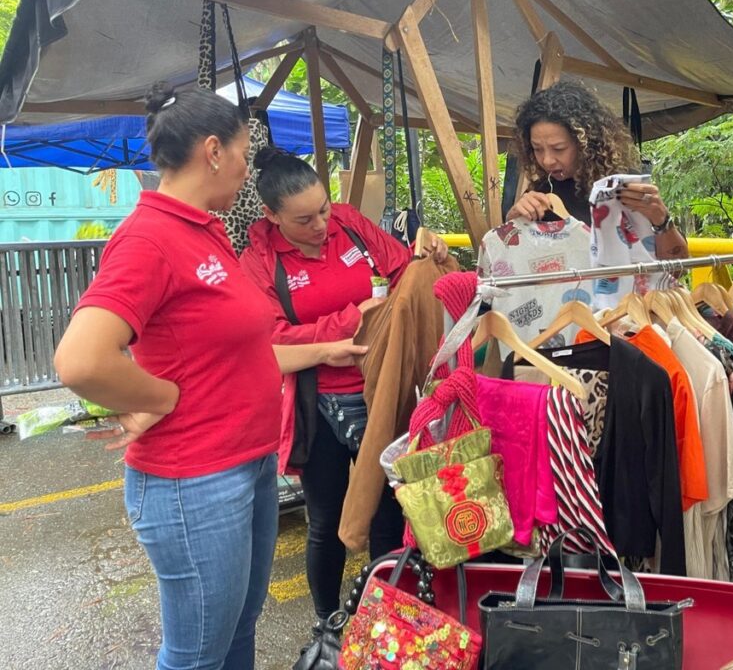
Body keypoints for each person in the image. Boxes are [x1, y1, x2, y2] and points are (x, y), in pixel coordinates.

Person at [53, 83, 367, 670]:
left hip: (245, 464)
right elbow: (81, 359)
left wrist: (325, 349)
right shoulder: (149, 238)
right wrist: (159, 395)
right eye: (247, 155)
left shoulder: (207, 231)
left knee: (237, 633)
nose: (249, 171)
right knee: (198, 653)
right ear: (214, 151)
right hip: (193, 479)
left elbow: (243, 349)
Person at [238, 146, 449, 638]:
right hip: (317, 399)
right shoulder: (259, 262)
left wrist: (429, 256)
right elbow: (267, 338)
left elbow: (403, 272)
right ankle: (327, 622)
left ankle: (385, 621)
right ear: (271, 217)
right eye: (304, 219)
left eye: (324, 210)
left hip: (381, 385)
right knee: (327, 517)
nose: (320, 226)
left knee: (385, 507)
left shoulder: (350, 225)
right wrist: (354, 320)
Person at [505, 80, 688, 259]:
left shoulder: (627, 188)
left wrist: (661, 219)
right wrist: (513, 221)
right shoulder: (540, 194)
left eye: (559, 148)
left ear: (587, 143)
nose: (547, 160)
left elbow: (677, 270)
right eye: (537, 149)